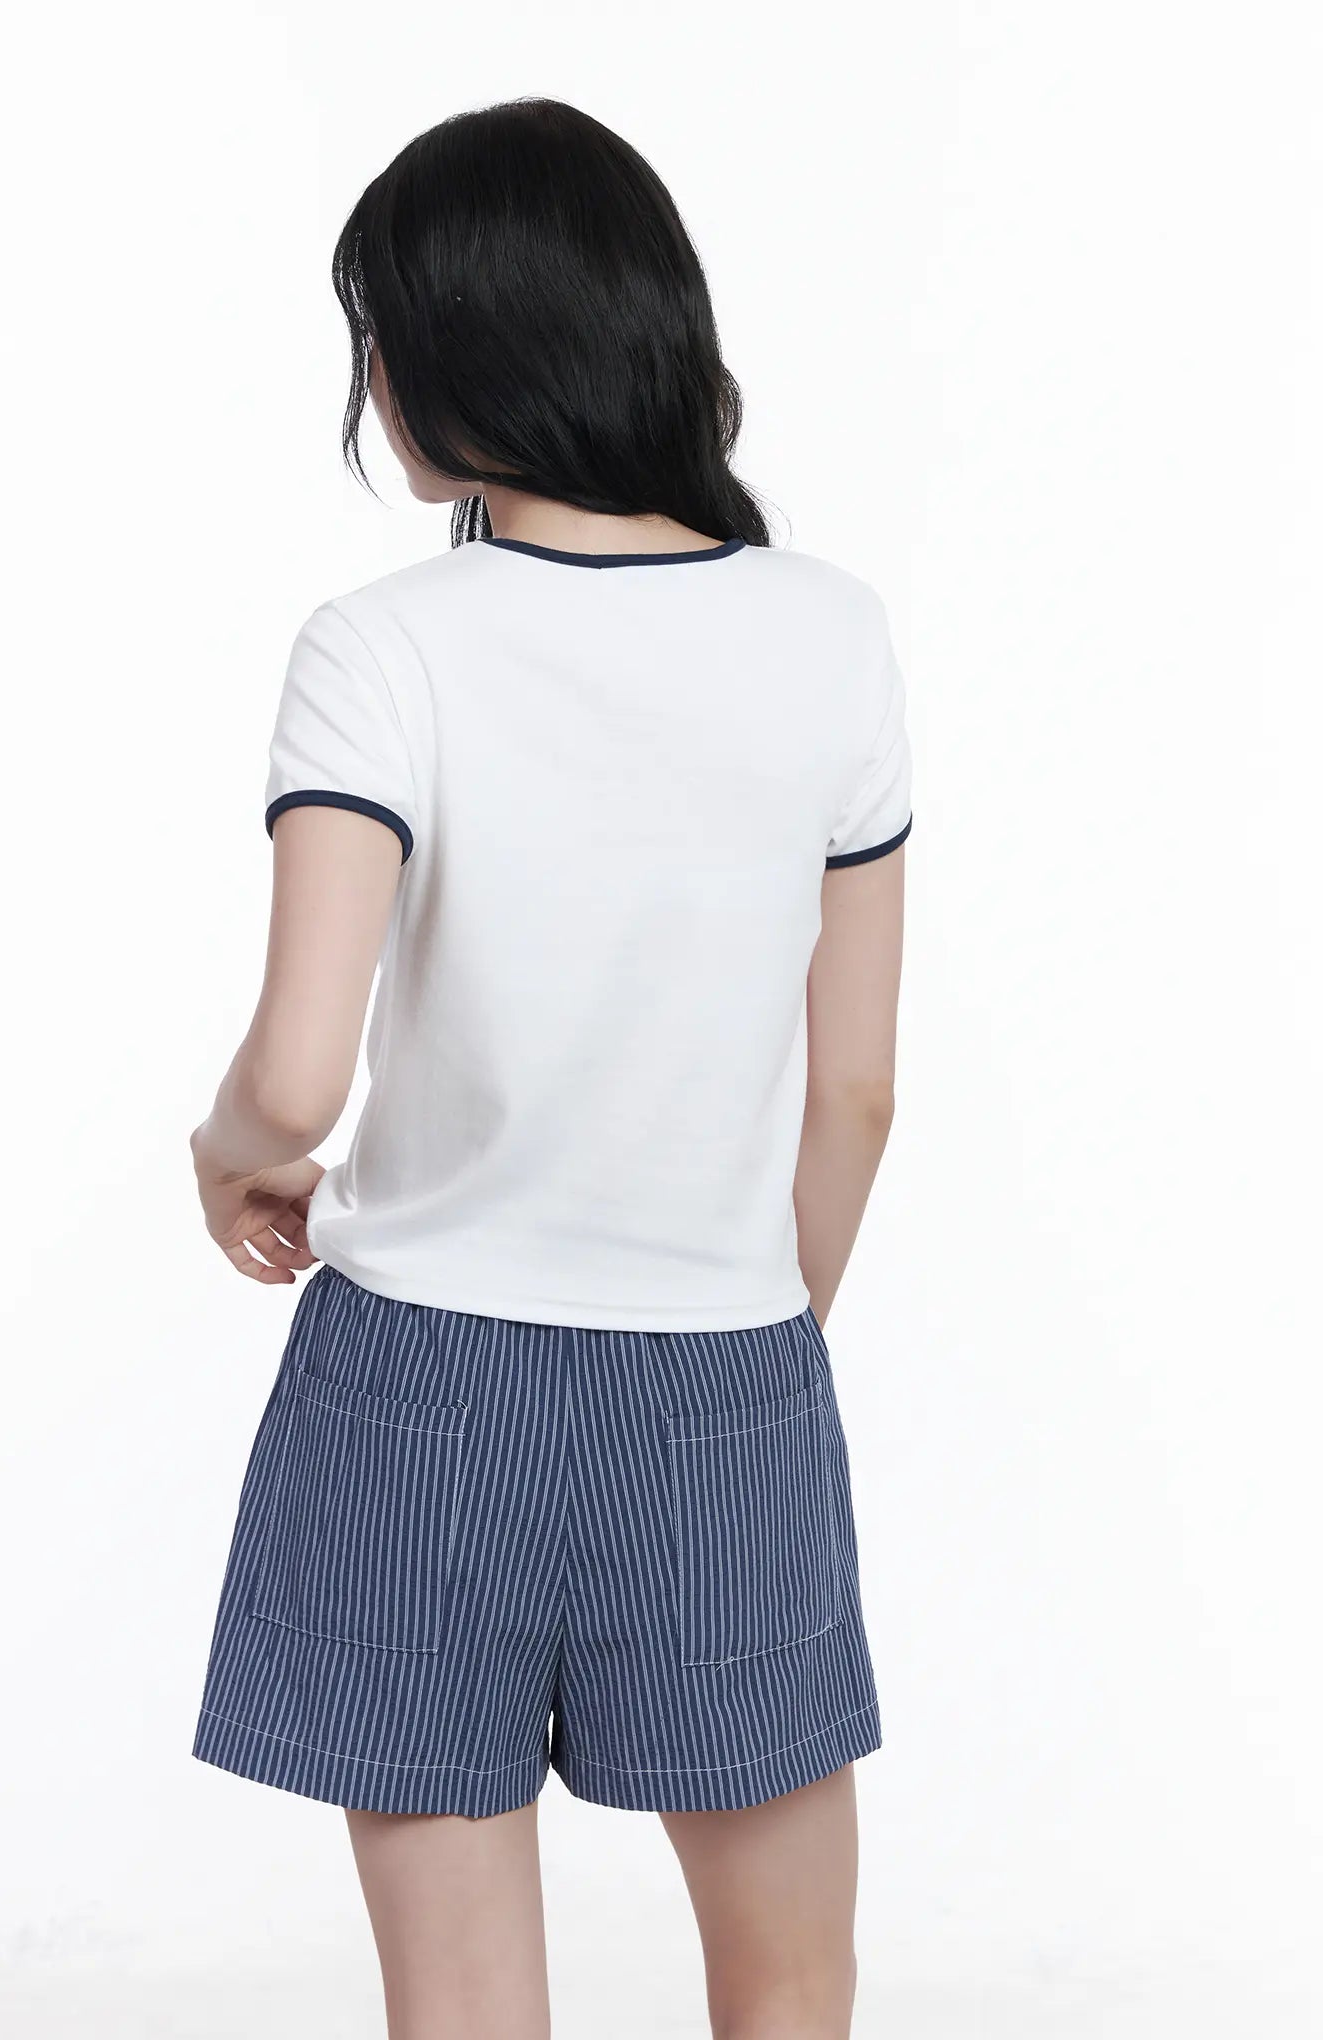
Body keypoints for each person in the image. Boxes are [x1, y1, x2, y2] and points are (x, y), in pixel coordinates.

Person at [188, 97, 911, 2040]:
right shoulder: (831, 637)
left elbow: (293, 1081)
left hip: (419, 1391)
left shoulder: (381, 649)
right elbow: (857, 1093)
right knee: (791, 1987)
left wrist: (225, 1156)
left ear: (441, 356)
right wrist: (753, 1325)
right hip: (724, 1385)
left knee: (465, 2012)